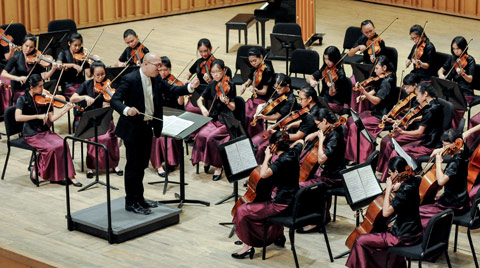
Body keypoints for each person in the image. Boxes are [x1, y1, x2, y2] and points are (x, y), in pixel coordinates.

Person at [110, 52, 199, 215]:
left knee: (142, 165)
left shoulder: (156, 78)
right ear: (145, 64)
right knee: (133, 167)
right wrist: (127, 110)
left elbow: (172, 90)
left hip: (147, 127)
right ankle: (131, 201)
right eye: (157, 65)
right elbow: (114, 100)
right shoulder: (130, 79)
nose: (160, 68)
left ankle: (140, 198)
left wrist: (189, 88)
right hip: (132, 128)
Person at [231, 131, 301, 259]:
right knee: (261, 203)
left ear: (274, 146)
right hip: (293, 199)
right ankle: (276, 234)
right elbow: (301, 141)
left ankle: (247, 247)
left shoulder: (282, 161)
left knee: (242, 211)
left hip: (282, 204)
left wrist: (267, 157)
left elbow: (263, 174)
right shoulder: (294, 152)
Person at [346, 156, 422, 268]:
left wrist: (388, 189)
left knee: (360, 240)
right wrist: (399, 185)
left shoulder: (404, 192)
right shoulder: (414, 181)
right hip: (414, 231)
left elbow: (386, 212)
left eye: (390, 173)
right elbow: (408, 185)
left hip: (402, 236)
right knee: (379, 231)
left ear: (396, 172)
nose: (390, 176)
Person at [15, 74, 81, 186]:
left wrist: (65, 110)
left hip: (44, 131)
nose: (43, 88)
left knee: (63, 144)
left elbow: (52, 119)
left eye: (42, 85)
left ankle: (70, 176)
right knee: (51, 149)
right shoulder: (23, 99)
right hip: (31, 133)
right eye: (40, 86)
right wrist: (37, 116)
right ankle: (37, 169)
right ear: (32, 88)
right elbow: (18, 117)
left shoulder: (45, 98)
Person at [377, 81, 443, 182]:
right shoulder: (434, 103)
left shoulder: (431, 110)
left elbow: (419, 132)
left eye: (417, 95)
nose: (416, 98)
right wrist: (410, 119)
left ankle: (400, 179)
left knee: (397, 152)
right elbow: (426, 118)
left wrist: (403, 132)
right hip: (429, 139)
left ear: (425, 94)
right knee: (396, 149)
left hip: (429, 144)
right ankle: (392, 176)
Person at [70, 61, 122, 178]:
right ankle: (91, 166)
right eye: (97, 75)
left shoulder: (110, 84)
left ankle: (114, 164)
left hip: (106, 118)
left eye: (102, 74)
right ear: (92, 74)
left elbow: (118, 101)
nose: (100, 77)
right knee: (95, 138)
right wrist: (85, 97)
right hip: (91, 119)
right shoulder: (87, 85)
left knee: (110, 137)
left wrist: (111, 104)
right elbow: (73, 99)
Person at [298, 108, 346, 230]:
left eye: (318, 124)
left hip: (333, 177)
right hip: (328, 172)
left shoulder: (335, 136)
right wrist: (315, 134)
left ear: (324, 121)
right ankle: (323, 215)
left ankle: (316, 221)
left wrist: (320, 141)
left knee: (303, 186)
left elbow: (321, 159)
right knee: (309, 177)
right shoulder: (332, 128)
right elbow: (326, 132)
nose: (317, 127)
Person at [344, 55, 397, 164]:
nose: (375, 70)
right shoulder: (385, 76)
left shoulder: (388, 81)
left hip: (382, 115)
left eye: (377, 68)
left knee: (356, 125)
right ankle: (351, 154)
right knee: (350, 120)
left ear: (384, 68)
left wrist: (364, 92)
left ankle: (359, 158)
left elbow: (377, 100)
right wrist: (365, 96)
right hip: (377, 111)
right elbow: (377, 89)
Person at [191, 59, 236, 181]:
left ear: (224, 71)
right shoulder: (212, 84)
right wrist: (203, 108)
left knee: (211, 138)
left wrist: (227, 102)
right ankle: (206, 159)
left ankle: (218, 166)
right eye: (213, 72)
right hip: (214, 118)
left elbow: (233, 107)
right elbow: (199, 100)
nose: (215, 75)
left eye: (218, 72)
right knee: (200, 135)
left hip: (226, 121)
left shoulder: (230, 85)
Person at [419, 129, 470, 228]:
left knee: (419, 210)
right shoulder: (463, 151)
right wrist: (441, 150)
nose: (443, 147)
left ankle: (428, 238)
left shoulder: (455, 163)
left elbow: (441, 181)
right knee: (428, 201)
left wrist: (438, 162)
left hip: (453, 204)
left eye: (444, 145)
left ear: (455, 143)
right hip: (461, 199)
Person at [250, 73, 299, 164]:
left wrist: (263, 117)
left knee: (262, 147)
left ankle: (261, 164)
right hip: (276, 124)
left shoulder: (290, 99)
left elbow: (276, 116)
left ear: (287, 86)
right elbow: (267, 104)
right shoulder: (278, 93)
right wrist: (259, 110)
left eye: (279, 88)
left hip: (284, 127)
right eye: (275, 88)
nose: (277, 90)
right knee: (254, 141)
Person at [150, 56, 184, 177]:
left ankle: (171, 162)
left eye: (166, 70)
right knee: (157, 137)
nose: (163, 72)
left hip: (173, 116)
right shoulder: (154, 82)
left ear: (169, 69)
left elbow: (180, 104)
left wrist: (181, 92)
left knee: (169, 138)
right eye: (161, 70)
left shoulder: (175, 83)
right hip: (158, 116)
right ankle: (159, 166)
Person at [1, 34, 59, 104]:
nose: (28, 49)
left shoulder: (38, 58)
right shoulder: (16, 57)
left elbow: (44, 76)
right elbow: (3, 74)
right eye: (26, 46)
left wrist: (53, 69)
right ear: (22, 44)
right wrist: (18, 78)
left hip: (34, 90)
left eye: (31, 47)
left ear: (34, 47)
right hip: (20, 90)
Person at [438, 36, 475, 129]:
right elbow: (441, 70)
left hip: (465, 92)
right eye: (454, 49)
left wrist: (463, 74)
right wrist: (441, 75)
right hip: (454, 89)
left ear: (463, 48)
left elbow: (470, 79)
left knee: (454, 109)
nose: (456, 51)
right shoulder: (453, 58)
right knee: (441, 104)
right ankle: (443, 129)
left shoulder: (470, 60)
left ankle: (452, 132)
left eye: (458, 49)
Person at [240, 47, 274, 137]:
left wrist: (256, 90)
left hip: (266, 98)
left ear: (261, 58)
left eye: (254, 61)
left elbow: (264, 91)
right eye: (251, 61)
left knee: (252, 115)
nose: (253, 63)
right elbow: (249, 80)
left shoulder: (267, 70)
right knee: (243, 111)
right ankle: (244, 135)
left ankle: (255, 136)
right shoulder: (254, 68)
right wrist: (244, 85)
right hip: (256, 96)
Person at [308, 46, 351, 114]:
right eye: (325, 59)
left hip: (335, 102)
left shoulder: (340, 74)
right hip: (323, 99)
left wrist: (331, 87)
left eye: (329, 60)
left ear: (335, 59)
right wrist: (311, 81)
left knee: (315, 110)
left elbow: (332, 94)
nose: (327, 62)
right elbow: (310, 77)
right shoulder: (325, 68)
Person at [56, 33, 92, 99]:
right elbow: (58, 65)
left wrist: (90, 63)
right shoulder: (63, 53)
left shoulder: (83, 55)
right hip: (68, 85)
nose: (78, 48)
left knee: (92, 94)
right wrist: (72, 65)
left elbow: (89, 74)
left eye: (79, 45)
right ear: (69, 43)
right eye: (75, 45)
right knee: (80, 96)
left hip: (81, 83)